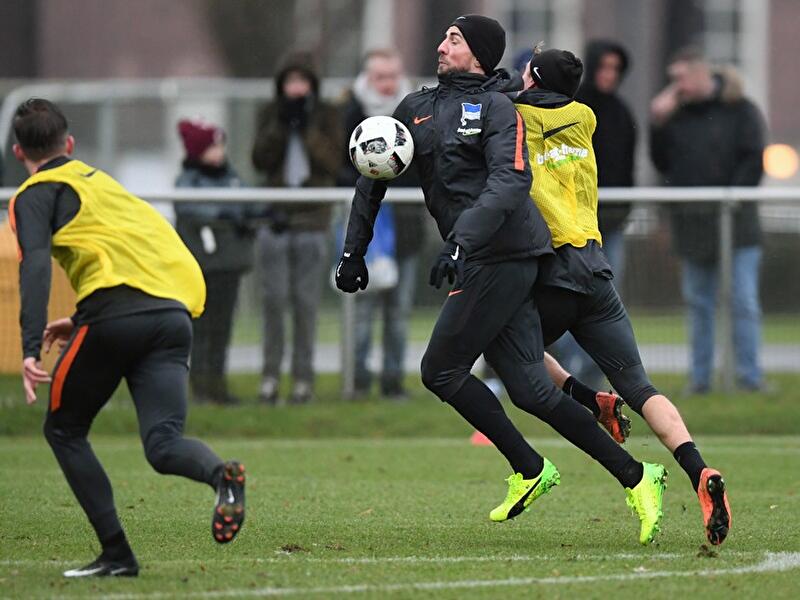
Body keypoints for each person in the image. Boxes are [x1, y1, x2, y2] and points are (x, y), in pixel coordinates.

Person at [336, 15, 666, 545]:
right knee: (531, 390)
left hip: (509, 252)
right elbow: (369, 180)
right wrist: (354, 252)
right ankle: (636, 476)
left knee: (440, 369)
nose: (442, 45)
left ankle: (531, 467)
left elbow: (509, 181)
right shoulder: (416, 108)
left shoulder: (498, 107)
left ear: (482, 54)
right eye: (443, 36)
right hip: (476, 253)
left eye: (455, 39)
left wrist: (459, 241)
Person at [8, 99, 246, 577]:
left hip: (116, 316)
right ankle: (221, 476)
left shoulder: (34, 192)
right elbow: (131, 254)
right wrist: (79, 320)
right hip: (171, 316)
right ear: (70, 145)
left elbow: (34, 265)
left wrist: (30, 346)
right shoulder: (103, 184)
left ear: (18, 153)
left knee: (64, 429)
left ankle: (117, 553)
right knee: (162, 443)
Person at [512, 48, 731, 545]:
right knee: (641, 384)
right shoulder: (585, 117)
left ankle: (589, 399)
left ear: (535, 80)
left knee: (505, 345)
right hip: (596, 269)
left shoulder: (517, 115)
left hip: (552, 275)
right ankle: (698, 469)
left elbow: (503, 105)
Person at [650, 47, 766, 394]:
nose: (677, 86)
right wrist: (658, 123)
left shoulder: (741, 110)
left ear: (701, 75)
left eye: (682, 78)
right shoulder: (676, 116)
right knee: (699, 303)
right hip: (693, 225)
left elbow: (753, 160)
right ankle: (699, 380)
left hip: (737, 223)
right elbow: (662, 163)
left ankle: (749, 378)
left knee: (743, 300)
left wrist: (728, 201)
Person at [251, 51, 342, 405]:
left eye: (302, 82)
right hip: (275, 219)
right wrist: (281, 127)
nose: (296, 89)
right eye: (290, 82)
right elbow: (259, 160)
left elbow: (334, 162)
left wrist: (306, 130)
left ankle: (303, 378)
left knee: (306, 304)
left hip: (313, 219)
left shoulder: (327, 115)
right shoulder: (268, 114)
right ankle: (270, 376)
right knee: (273, 302)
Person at [549, 39, 638, 389]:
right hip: (574, 225)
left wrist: (622, 209)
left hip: (610, 222)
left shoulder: (620, 112)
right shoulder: (574, 109)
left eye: (615, 69)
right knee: (570, 300)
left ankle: (591, 372)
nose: (609, 75)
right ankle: (569, 371)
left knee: (604, 300)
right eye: (604, 67)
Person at [337, 48, 424, 398]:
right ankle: (357, 380)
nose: (387, 84)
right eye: (380, 77)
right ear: (368, 77)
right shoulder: (350, 111)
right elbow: (338, 167)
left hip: (406, 226)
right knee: (361, 310)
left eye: (392, 76)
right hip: (365, 228)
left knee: (399, 313)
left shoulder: (416, 110)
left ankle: (392, 382)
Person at [175, 118, 254, 405]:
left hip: (229, 266)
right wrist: (224, 213)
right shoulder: (187, 181)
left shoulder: (231, 176)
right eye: (212, 147)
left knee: (222, 328)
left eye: (220, 146)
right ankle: (200, 386)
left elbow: (249, 202)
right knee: (202, 329)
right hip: (203, 268)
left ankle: (217, 385)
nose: (218, 152)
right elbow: (191, 207)